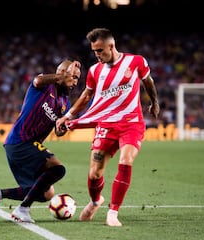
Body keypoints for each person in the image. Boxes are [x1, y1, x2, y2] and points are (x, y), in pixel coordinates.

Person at [56, 28, 160, 227]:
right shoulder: (95, 71)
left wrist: (154, 102)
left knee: (126, 160)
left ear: (111, 46)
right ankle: (96, 201)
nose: (97, 55)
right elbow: (86, 97)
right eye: (94, 51)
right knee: (95, 173)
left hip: (131, 123)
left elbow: (148, 82)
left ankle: (113, 211)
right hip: (106, 125)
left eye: (100, 50)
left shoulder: (136, 61)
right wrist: (68, 116)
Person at [0, 59, 81, 223]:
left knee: (46, 193)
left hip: (25, 146)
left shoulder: (65, 102)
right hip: (20, 140)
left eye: (77, 78)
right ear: (62, 74)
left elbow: (57, 129)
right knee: (58, 169)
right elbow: (37, 80)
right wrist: (61, 76)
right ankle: (23, 209)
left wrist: (60, 130)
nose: (75, 82)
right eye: (73, 76)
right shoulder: (45, 85)